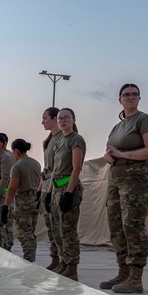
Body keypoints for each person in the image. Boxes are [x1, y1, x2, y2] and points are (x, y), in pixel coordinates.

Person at [101, 84, 148, 294]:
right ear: (120, 100)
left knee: (132, 225)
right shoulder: (118, 126)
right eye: (126, 95)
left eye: (134, 94)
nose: (130, 97)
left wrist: (122, 154)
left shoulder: (144, 120)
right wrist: (109, 156)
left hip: (137, 180)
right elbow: (111, 150)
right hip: (116, 179)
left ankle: (136, 277)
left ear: (139, 98)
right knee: (116, 226)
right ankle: (123, 272)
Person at [50, 108, 85, 281]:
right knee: (57, 230)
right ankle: (63, 263)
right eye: (60, 118)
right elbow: (55, 169)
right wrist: (49, 192)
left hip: (67, 188)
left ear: (73, 119)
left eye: (67, 118)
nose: (63, 120)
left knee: (68, 230)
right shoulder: (59, 141)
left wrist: (69, 193)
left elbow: (77, 168)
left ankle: (72, 267)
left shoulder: (76, 140)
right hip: (56, 189)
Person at [2, 138, 42, 262]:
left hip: (23, 201)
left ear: (17, 150)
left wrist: (5, 206)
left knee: (23, 232)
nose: (12, 153)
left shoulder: (17, 166)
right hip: (35, 199)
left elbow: (12, 188)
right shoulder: (36, 163)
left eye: (13, 151)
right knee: (30, 231)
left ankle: (29, 259)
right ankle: (31, 257)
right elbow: (40, 181)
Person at [39, 107, 62, 269]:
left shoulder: (63, 138)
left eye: (45, 118)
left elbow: (57, 168)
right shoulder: (48, 140)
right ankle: (55, 259)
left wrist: (49, 192)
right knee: (50, 227)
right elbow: (46, 168)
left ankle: (63, 261)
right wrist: (40, 190)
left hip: (56, 185)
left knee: (59, 226)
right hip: (46, 183)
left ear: (54, 119)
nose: (42, 122)